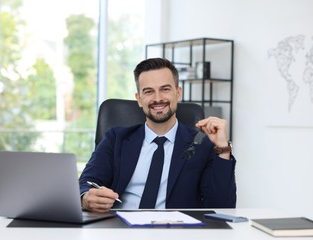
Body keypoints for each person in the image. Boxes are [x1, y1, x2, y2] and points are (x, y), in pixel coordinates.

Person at [79, 58, 236, 213]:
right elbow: (87, 182)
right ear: (139, 99)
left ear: (178, 93)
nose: (158, 98)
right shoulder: (115, 139)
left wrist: (223, 148)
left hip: (177, 233)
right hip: (120, 229)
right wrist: (86, 197)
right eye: (148, 91)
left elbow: (223, 206)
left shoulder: (202, 144)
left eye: (165, 89)